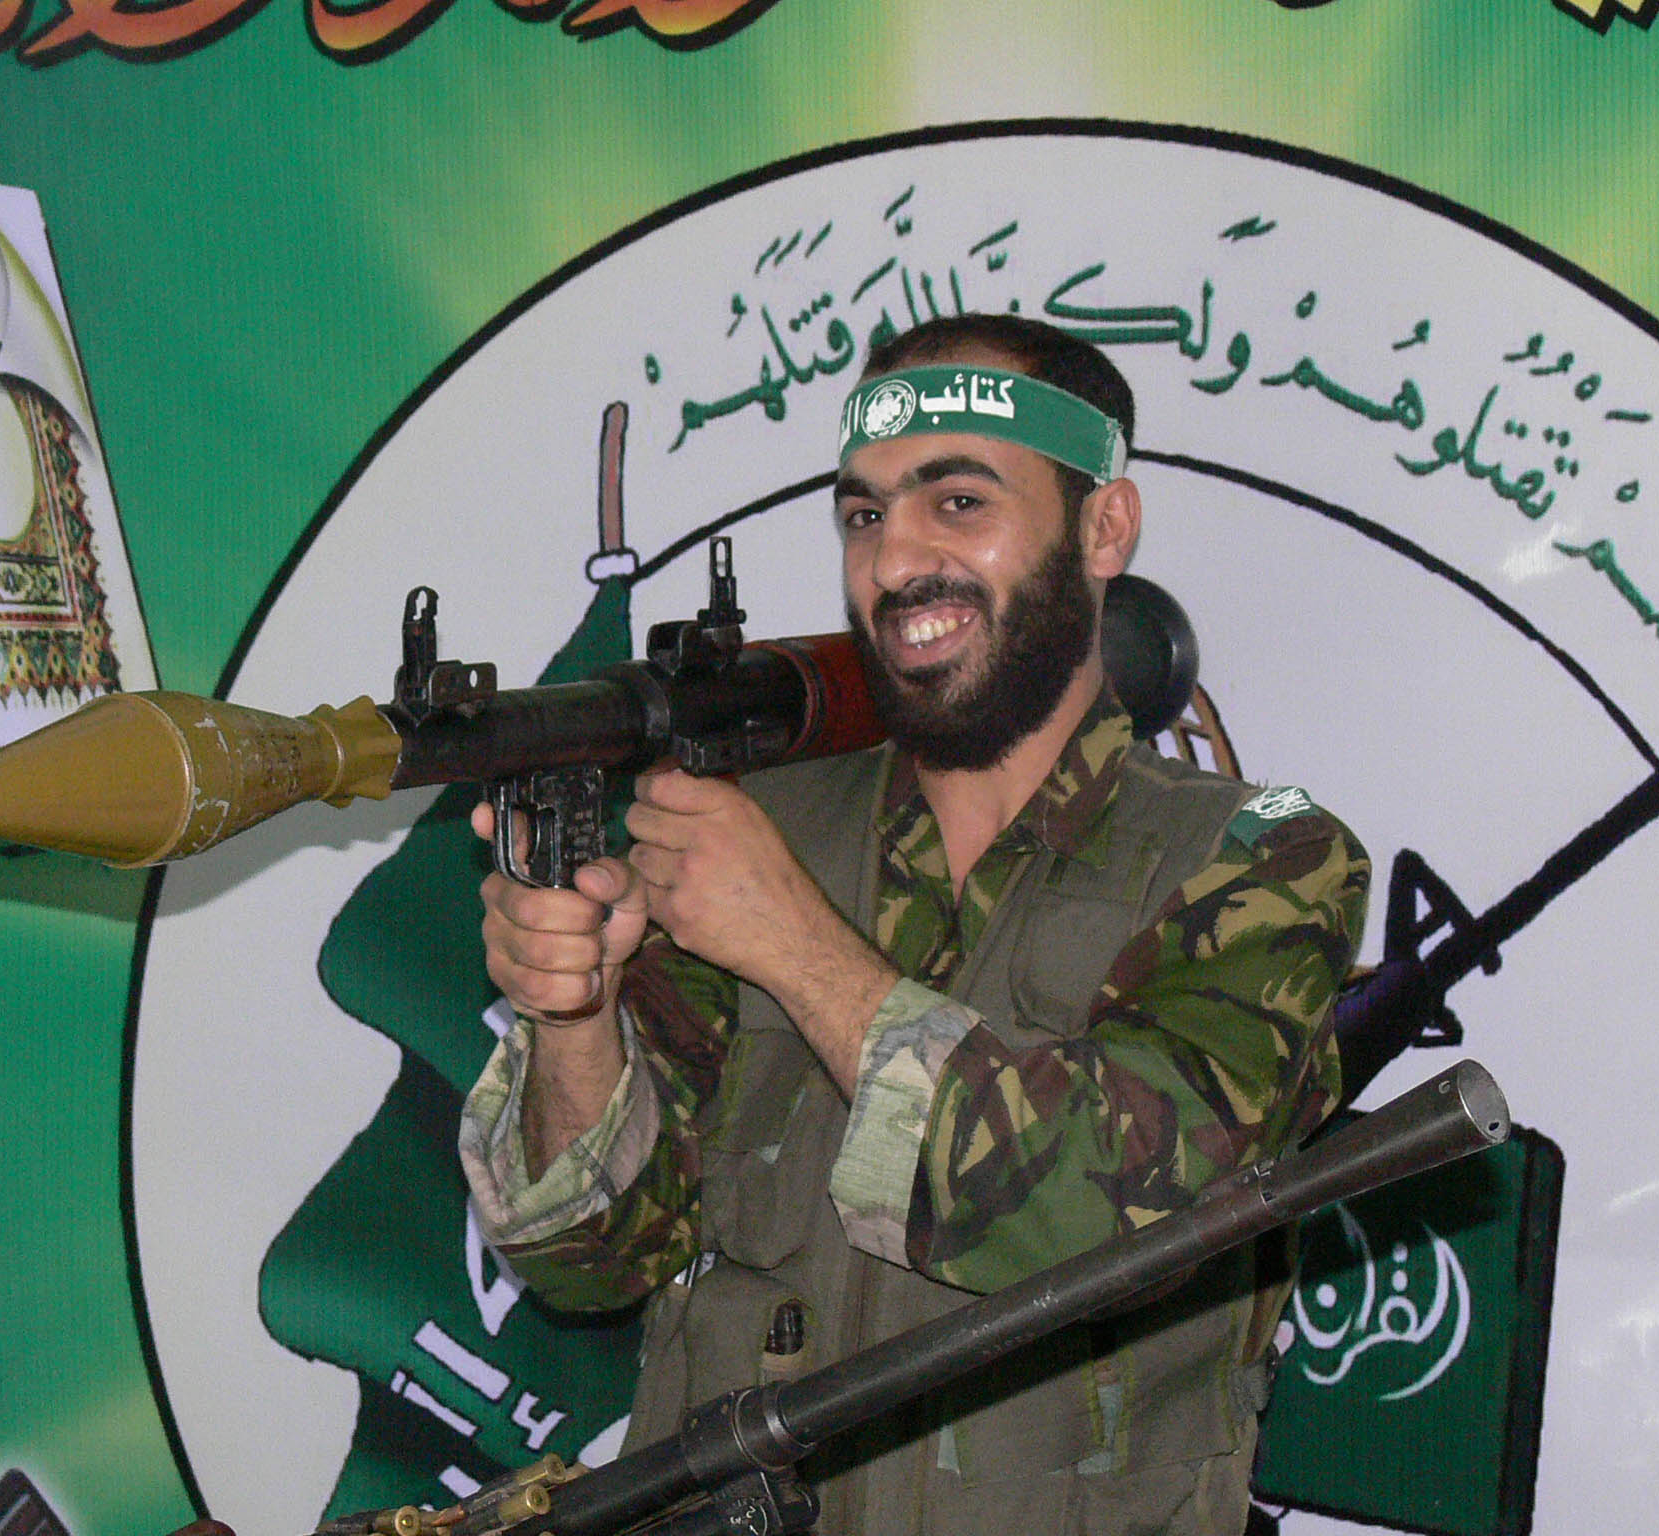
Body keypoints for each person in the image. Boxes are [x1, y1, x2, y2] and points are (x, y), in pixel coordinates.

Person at [458, 314, 1369, 1535]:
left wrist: (790, 941)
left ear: (1103, 528)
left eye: (957, 503)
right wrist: (572, 1018)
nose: (892, 563)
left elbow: (1103, 1222)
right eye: (862, 514)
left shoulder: (1263, 857)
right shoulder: (760, 829)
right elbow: (592, 1263)